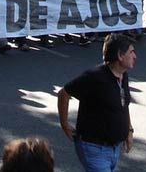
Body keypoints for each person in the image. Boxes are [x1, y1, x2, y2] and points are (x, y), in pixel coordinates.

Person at [57, 33, 135, 172]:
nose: (135, 56)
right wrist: (64, 125)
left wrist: (129, 130)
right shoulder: (94, 77)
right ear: (120, 56)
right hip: (94, 149)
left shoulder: (123, 75)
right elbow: (64, 93)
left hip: (114, 148)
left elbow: (123, 104)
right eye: (131, 52)